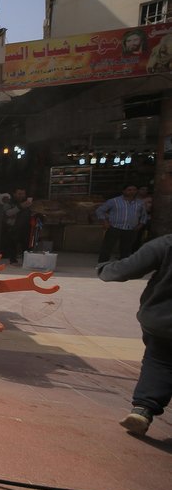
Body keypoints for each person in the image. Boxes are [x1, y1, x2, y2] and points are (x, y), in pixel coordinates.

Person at [97, 234, 172, 435]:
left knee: (159, 362)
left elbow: (128, 268)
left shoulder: (166, 244)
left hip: (163, 321)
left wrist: (104, 269)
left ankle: (143, 410)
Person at [96, 184, 146, 263]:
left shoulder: (140, 203)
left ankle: (123, 266)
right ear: (124, 191)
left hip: (130, 229)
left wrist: (140, 225)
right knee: (107, 247)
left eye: (134, 190)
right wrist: (105, 222)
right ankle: (102, 264)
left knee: (126, 249)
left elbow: (144, 215)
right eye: (129, 190)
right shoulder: (114, 201)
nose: (132, 192)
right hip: (114, 227)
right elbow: (100, 210)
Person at [2, 188, 33, 264]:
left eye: (23, 194)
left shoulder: (28, 203)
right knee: (12, 245)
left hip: (26, 227)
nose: (21, 196)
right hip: (13, 227)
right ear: (14, 194)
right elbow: (8, 213)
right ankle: (13, 260)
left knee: (26, 246)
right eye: (19, 194)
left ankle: (26, 261)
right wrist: (20, 207)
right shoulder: (9, 203)